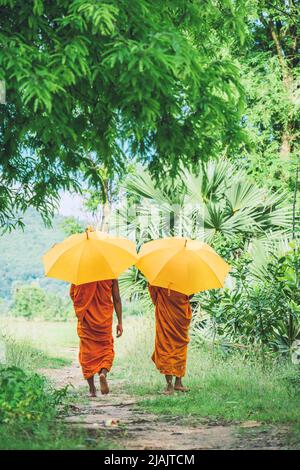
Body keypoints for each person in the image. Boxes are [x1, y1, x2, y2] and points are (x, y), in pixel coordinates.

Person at [70, 279, 123, 397]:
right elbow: (117, 299)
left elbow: (73, 295)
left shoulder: (80, 275)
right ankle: (103, 373)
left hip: (87, 320)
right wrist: (120, 322)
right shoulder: (110, 273)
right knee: (106, 349)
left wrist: (84, 306)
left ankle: (92, 389)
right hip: (104, 319)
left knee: (87, 354)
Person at [148, 284, 192, 394]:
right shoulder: (187, 275)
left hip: (166, 314)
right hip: (181, 313)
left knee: (166, 347)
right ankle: (178, 382)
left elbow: (154, 295)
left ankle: (169, 386)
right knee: (180, 347)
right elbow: (191, 293)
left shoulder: (161, 278)